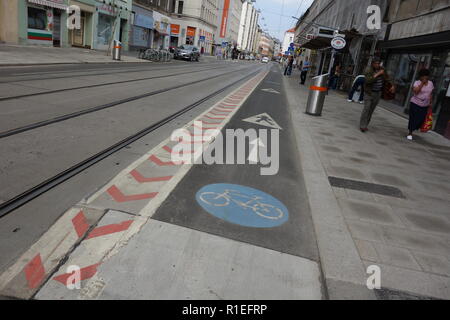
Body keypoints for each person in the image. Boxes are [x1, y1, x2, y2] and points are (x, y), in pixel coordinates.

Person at [360, 57, 395, 132]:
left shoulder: (382, 69)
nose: (378, 65)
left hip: (378, 93)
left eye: (379, 63)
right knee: (366, 109)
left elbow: (387, 78)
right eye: (376, 63)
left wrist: (392, 85)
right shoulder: (368, 69)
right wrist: (378, 74)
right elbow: (368, 80)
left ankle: (366, 124)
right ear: (372, 63)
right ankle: (362, 125)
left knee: (371, 110)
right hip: (369, 92)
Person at [407, 69, 434, 141]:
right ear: (420, 77)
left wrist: (431, 102)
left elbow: (431, 93)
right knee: (413, 119)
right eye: (423, 77)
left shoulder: (431, 83)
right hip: (415, 103)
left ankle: (414, 128)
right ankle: (410, 133)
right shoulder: (417, 82)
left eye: (426, 76)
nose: (424, 78)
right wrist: (422, 83)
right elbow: (416, 92)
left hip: (425, 105)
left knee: (421, 119)